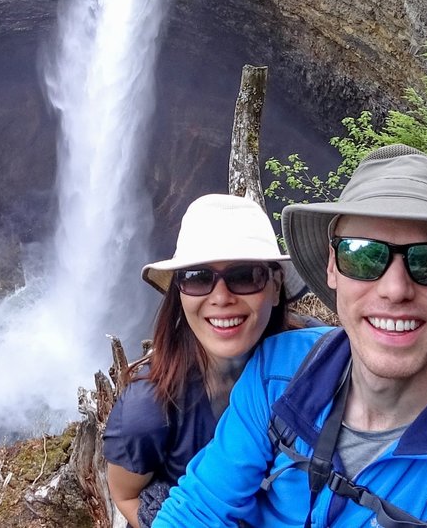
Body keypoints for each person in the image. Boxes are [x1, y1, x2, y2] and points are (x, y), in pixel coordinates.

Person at [152, 145, 427, 527]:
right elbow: (199, 511)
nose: (396, 289)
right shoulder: (277, 372)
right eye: (363, 256)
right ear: (332, 268)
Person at [103, 193, 309, 528]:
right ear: (179, 293)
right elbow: (126, 495)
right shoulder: (149, 412)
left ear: (275, 286)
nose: (221, 298)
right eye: (198, 277)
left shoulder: (316, 363)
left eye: (245, 275)